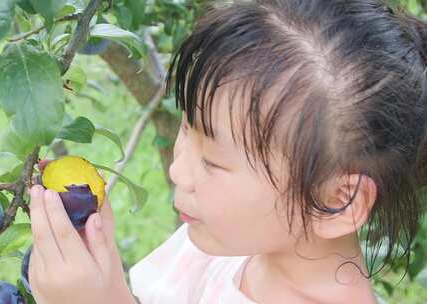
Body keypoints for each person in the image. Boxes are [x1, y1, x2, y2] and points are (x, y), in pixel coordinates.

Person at [27, 0, 427, 303]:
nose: (178, 171)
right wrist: (107, 276)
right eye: (187, 127)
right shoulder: (234, 246)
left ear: (337, 200)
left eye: (213, 161)